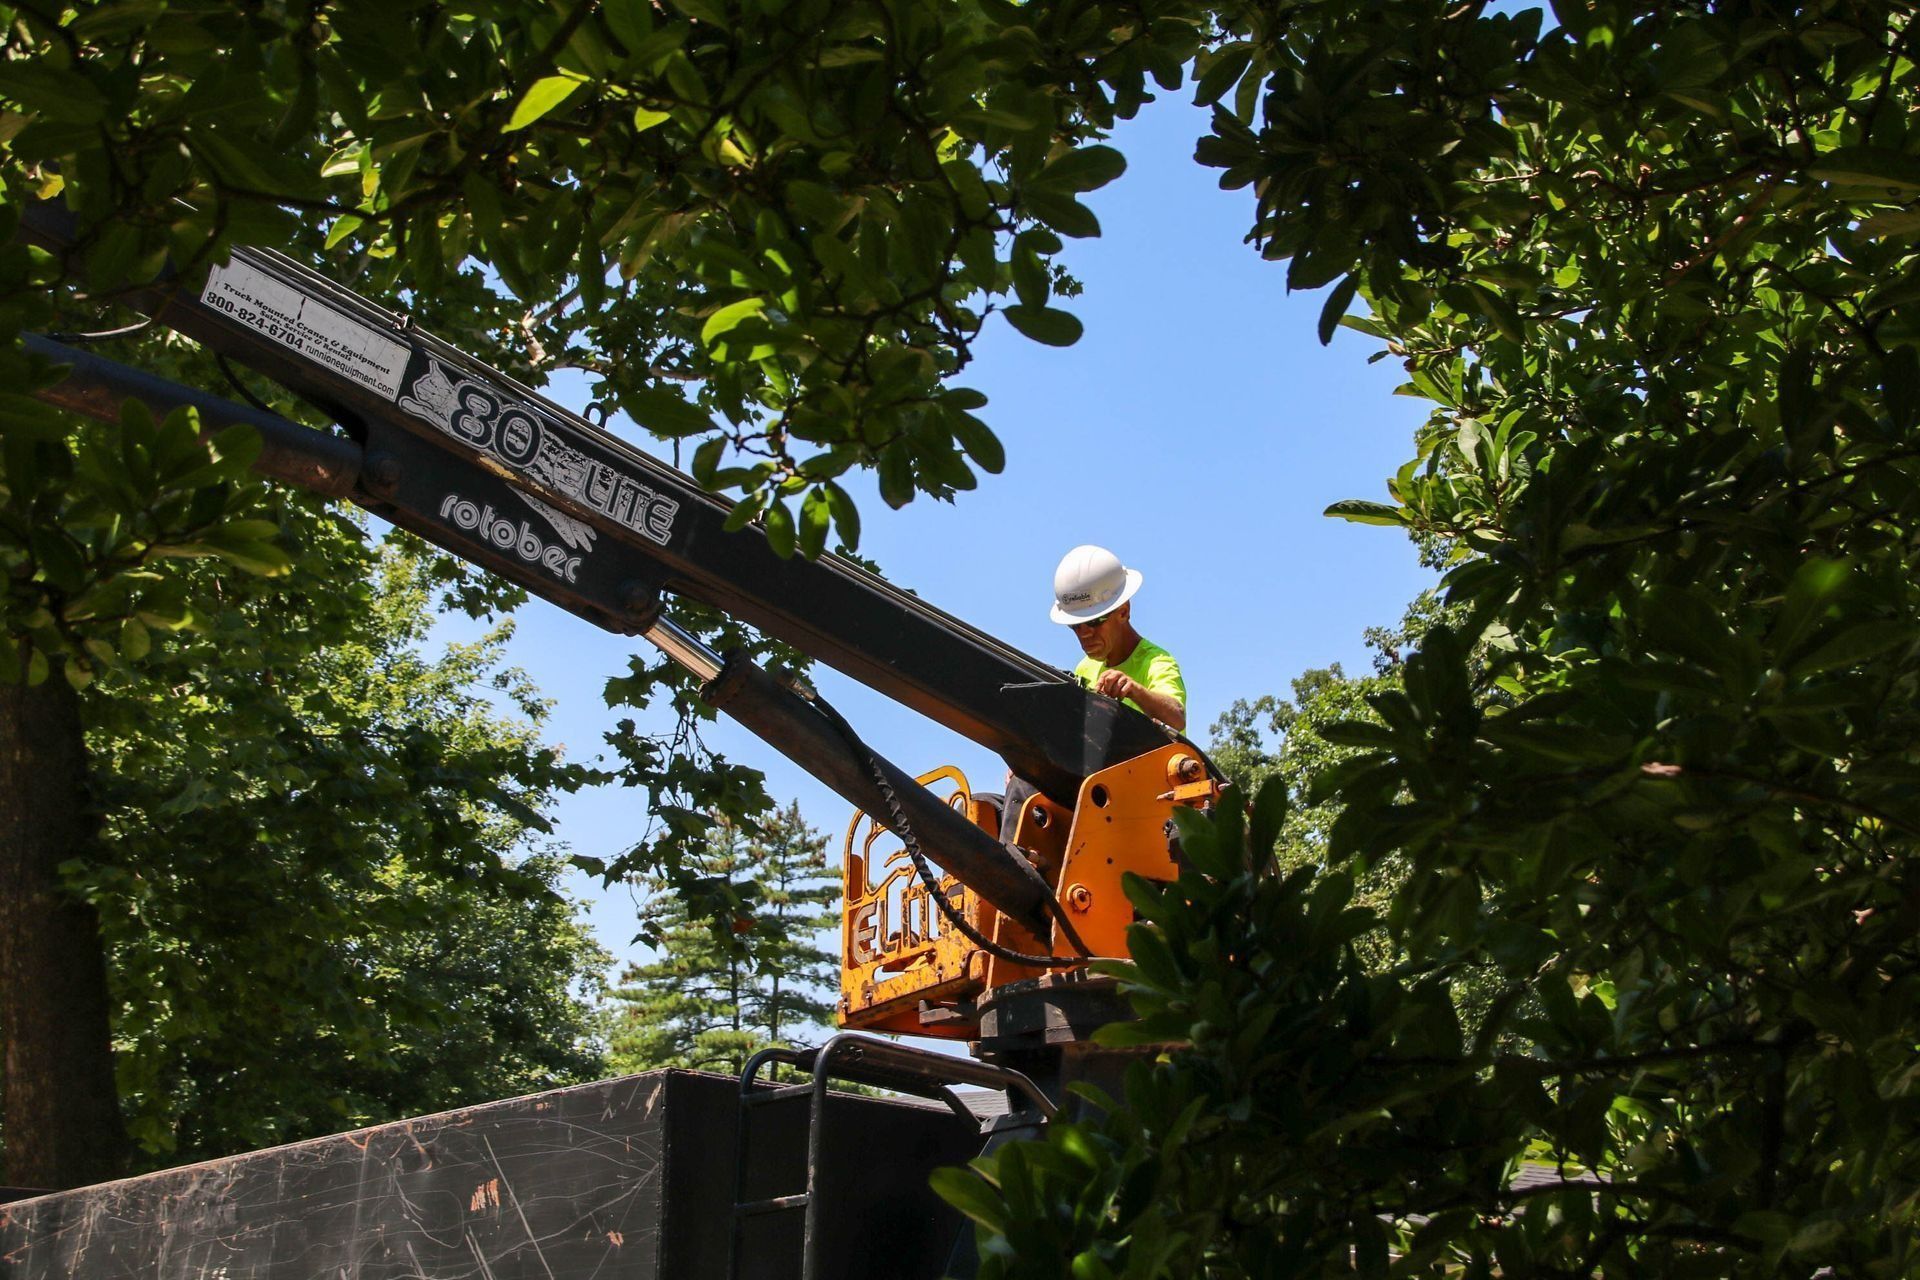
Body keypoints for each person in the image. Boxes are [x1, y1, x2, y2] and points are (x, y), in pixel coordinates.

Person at [1049, 544, 1186, 731]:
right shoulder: (1084, 669)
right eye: (1075, 626)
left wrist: (1134, 690)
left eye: (1094, 622)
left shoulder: (1156, 662)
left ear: (1123, 611)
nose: (1084, 634)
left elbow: (1176, 717)